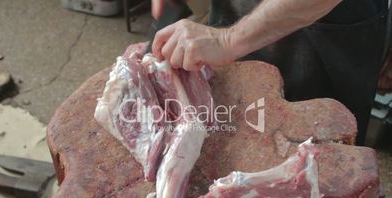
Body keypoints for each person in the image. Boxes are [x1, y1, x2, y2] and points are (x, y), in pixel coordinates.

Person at [151, 0, 391, 145]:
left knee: (309, 167)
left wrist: (228, 40)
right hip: (234, 14)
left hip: (321, 26)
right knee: (230, 139)